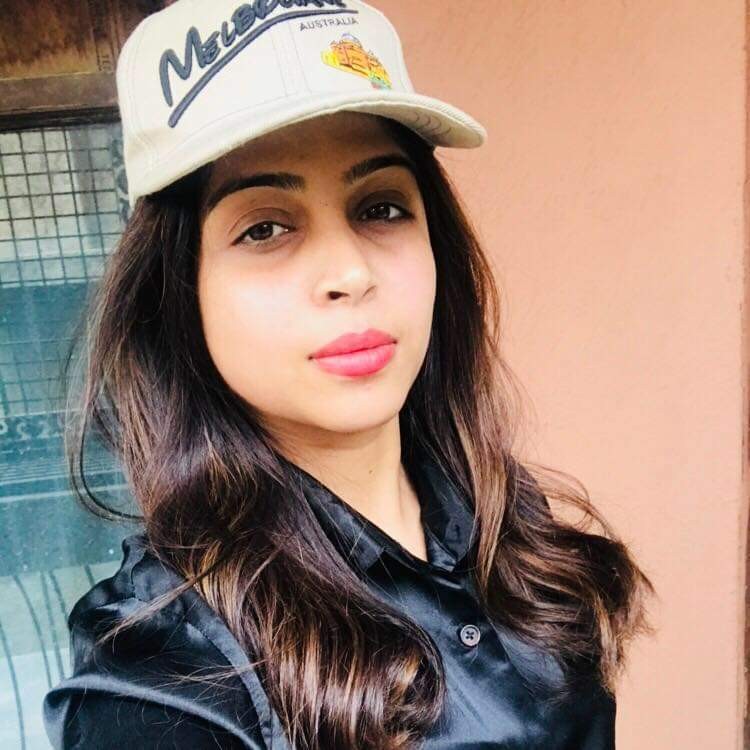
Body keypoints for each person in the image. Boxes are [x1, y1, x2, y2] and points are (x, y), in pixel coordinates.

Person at [42, 0, 656, 747]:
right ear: (179, 293)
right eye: (265, 227)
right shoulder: (163, 690)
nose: (350, 272)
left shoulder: (507, 523)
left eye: (382, 208)